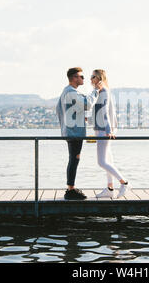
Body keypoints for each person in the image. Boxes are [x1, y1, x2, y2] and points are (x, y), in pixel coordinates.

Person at [56, 67, 103, 200]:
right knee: (74, 159)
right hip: (74, 132)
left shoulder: (67, 92)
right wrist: (96, 90)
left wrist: (79, 116)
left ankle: (70, 188)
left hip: (70, 131)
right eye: (81, 77)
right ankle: (70, 190)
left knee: (74, 159)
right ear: (74, 78)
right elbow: (87, 104)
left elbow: (62, 110)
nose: (83, 79)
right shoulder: (71, 92)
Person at [90, 69, 130, 199]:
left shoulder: (104, 92)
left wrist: (108, 130)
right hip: (100, 129)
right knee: (108, 160)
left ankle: (124, 183)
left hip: (103, 130)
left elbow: (105, 112)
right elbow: (97, 112)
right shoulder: (99, 92)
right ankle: (110, 188)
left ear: (100, 78)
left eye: (93, 77)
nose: (90, 79)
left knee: (101, 162)